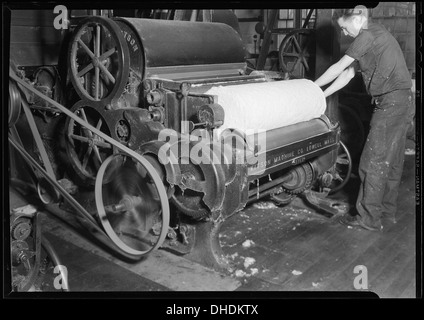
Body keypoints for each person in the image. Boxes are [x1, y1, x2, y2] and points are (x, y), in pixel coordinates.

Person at [314, 6, 414, 231]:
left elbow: (339, 67)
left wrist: (310, 87)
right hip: (402, 101)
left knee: (372, 162)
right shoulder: (376, 33)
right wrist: (320, 94)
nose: (345, 33)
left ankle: (368, 218)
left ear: (357, 18)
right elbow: (348, 74)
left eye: (344, 27)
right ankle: (386, 213)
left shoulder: (365, 36)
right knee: (392, 161)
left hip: (391, 104)